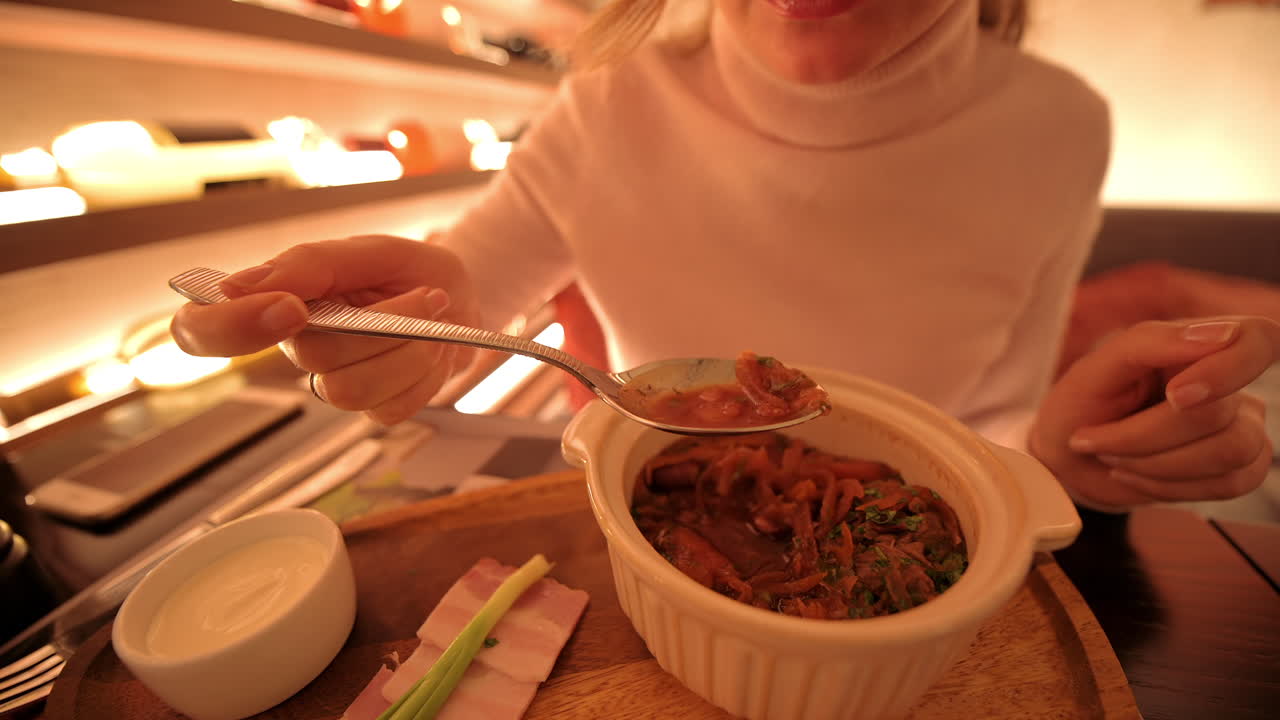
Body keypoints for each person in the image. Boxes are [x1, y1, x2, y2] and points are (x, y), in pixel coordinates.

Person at [170, 0, 1276, 513]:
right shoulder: (607, 100)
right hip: (643, 513)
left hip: (902, 537)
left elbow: (988, 422)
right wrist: (409, 325)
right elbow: (466, 288)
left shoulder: (1057, 124)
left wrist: (1060, 462)